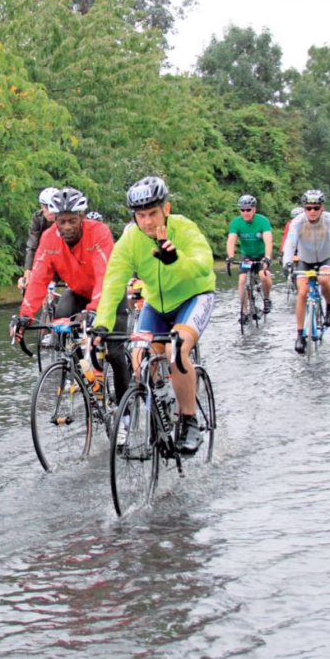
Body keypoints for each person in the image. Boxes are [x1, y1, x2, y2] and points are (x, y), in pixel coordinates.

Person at [94, 176, 215, 455]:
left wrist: (176, 260)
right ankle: (158, 408)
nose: (147, 222)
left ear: (166, 209)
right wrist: (102, 323)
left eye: (153, 214)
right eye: (140, 215)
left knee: (177, 348)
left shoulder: (184, 228)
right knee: (138, 359)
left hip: (193, 297)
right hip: (157, 305)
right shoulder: (130, 239)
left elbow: (204, 265)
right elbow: (113, 283)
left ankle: (188, 420)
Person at [14, 187, 114, 327]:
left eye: (72, 221)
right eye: (62, 222)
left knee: (109, 338)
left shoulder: (99, 232)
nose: (67, 227)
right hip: (78, 292)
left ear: (82, 217)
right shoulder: (49, 237)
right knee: (60, 317)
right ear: (55, 221)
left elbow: (104, 275)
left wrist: (95, 309)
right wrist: (25, 315)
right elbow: (38, 279)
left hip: (109, 293)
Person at [282, 189, 330, 354]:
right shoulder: (298, 222)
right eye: (308, 208)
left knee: (323, 280)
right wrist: (287, 262)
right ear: (304, 208)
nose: (312, 211)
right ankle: (300, 335)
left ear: (322, 207)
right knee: (302, 292)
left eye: (316, 207)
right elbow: (290, 243)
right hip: (305, 261)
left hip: (325, 258)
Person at [225, 194, 273, 317]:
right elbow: (231, 240)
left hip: (261, 254)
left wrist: (267, 257)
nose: (245, 212)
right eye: (242, 210)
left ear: (254, 210)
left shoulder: (262, 221)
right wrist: (230, 257)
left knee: (263, 275)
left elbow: (268, 240)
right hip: (247, 256)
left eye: (248, 210)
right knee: (242, 280)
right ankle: (244, 311)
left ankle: (267, 299)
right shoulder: (236, 222)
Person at [17, 186, 59, 292]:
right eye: (46, 207)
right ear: (41, 206)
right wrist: (27, 273)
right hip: (45, 254)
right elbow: (32, 247)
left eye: (53, 207)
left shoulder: (66, 217)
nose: (50, 212)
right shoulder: (37, 218)